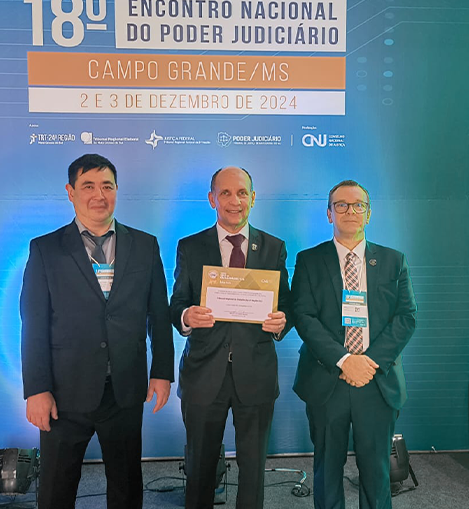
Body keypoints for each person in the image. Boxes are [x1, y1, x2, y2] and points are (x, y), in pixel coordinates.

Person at [20, 153, 175, 509]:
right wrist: (37, 389)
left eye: (107, 186)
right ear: (70, 192)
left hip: (124, 389)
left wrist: (162, 372)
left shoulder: (145, 246)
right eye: (88, 186)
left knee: (126, 485)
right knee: (57, 488)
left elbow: (158, 313)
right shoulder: (45, 249)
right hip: (64, 392)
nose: (98, 195)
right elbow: (34, 324)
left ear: (117, 191)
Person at [170, 166, 291, 509]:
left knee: (253, 470)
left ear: (252, 198)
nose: (234, 201)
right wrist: (185, 316)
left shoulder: (273, 247)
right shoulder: (191, 247)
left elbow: (287, 302)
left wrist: (283, 321)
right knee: (200, 467)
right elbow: (177, 302)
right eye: (225, 193)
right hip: (203, 375)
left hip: (256, 373)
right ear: (212, 199)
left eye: (241, 193)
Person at [292, 180, 417, 509]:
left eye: (358, 204)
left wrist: (367, 362)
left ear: (369, 213)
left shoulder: (393, 261)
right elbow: (303, 316)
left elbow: (406, 317)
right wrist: (345, 360)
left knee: (377, 471)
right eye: (341, 205)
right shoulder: (309, 260)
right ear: (329, 214)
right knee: (326, 468)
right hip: (327, 378)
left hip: (376, 381)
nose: (350, 210)